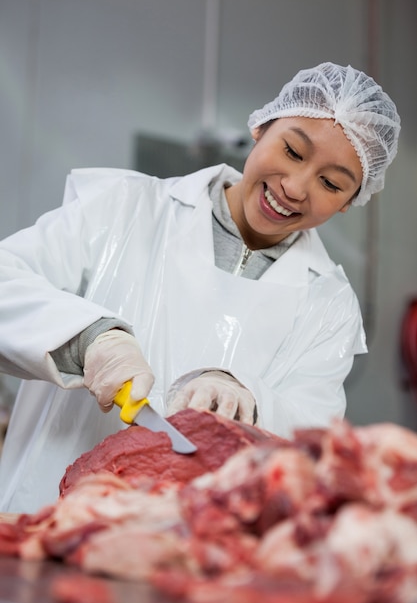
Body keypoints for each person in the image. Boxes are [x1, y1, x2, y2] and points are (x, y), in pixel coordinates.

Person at [0, 62, 400, 513]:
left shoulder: (330, 306)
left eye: (330, 183)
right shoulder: (123, 208)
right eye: (291, 150)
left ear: (349, 203)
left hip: (191, 551)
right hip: (38, 523)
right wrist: (88, 338)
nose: (294, 187)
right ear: (260, 127)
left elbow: (311, 437)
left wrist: (245, 394)